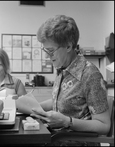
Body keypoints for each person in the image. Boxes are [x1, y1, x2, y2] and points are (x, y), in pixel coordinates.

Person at [31, 15, 110, 146]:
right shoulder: (63, 69)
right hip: (56, 139)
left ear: (68, 46)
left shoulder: (90, 74)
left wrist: (67, 122)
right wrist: (33, 108)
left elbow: (104, 125)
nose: (47, 56)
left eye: (51, 51)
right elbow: (62, 100)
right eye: (45, 50)